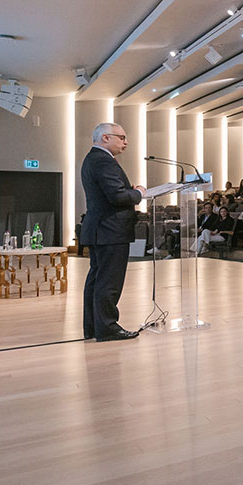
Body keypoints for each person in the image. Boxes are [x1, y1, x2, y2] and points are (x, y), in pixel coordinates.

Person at [80, 123, 145, 342]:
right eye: (122, 137)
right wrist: (137, 193)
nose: (126, 142)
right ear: (105, 137)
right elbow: (117, 197)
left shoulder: (93, 159)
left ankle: (93, 327)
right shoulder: (103, 160)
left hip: (100, 229)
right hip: (110, 230)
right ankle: (107, 328)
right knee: (109, 283)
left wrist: (130, 192)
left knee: (97, 280)